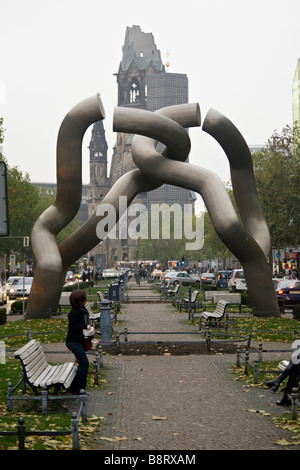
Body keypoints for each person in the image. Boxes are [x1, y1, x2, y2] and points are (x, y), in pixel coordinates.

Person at [65, 290, 92, 393]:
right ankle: (78, 388)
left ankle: (76, 387)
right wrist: (85, 326)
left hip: (78, 341)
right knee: (84, 362)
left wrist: (91, 338)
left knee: (83, 363)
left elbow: (87, 327)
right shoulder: (74, 312)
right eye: (84, 298)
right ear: (80, 300)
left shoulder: (83, 310)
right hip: (73, 342)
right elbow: (73, 327)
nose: (86, 300)